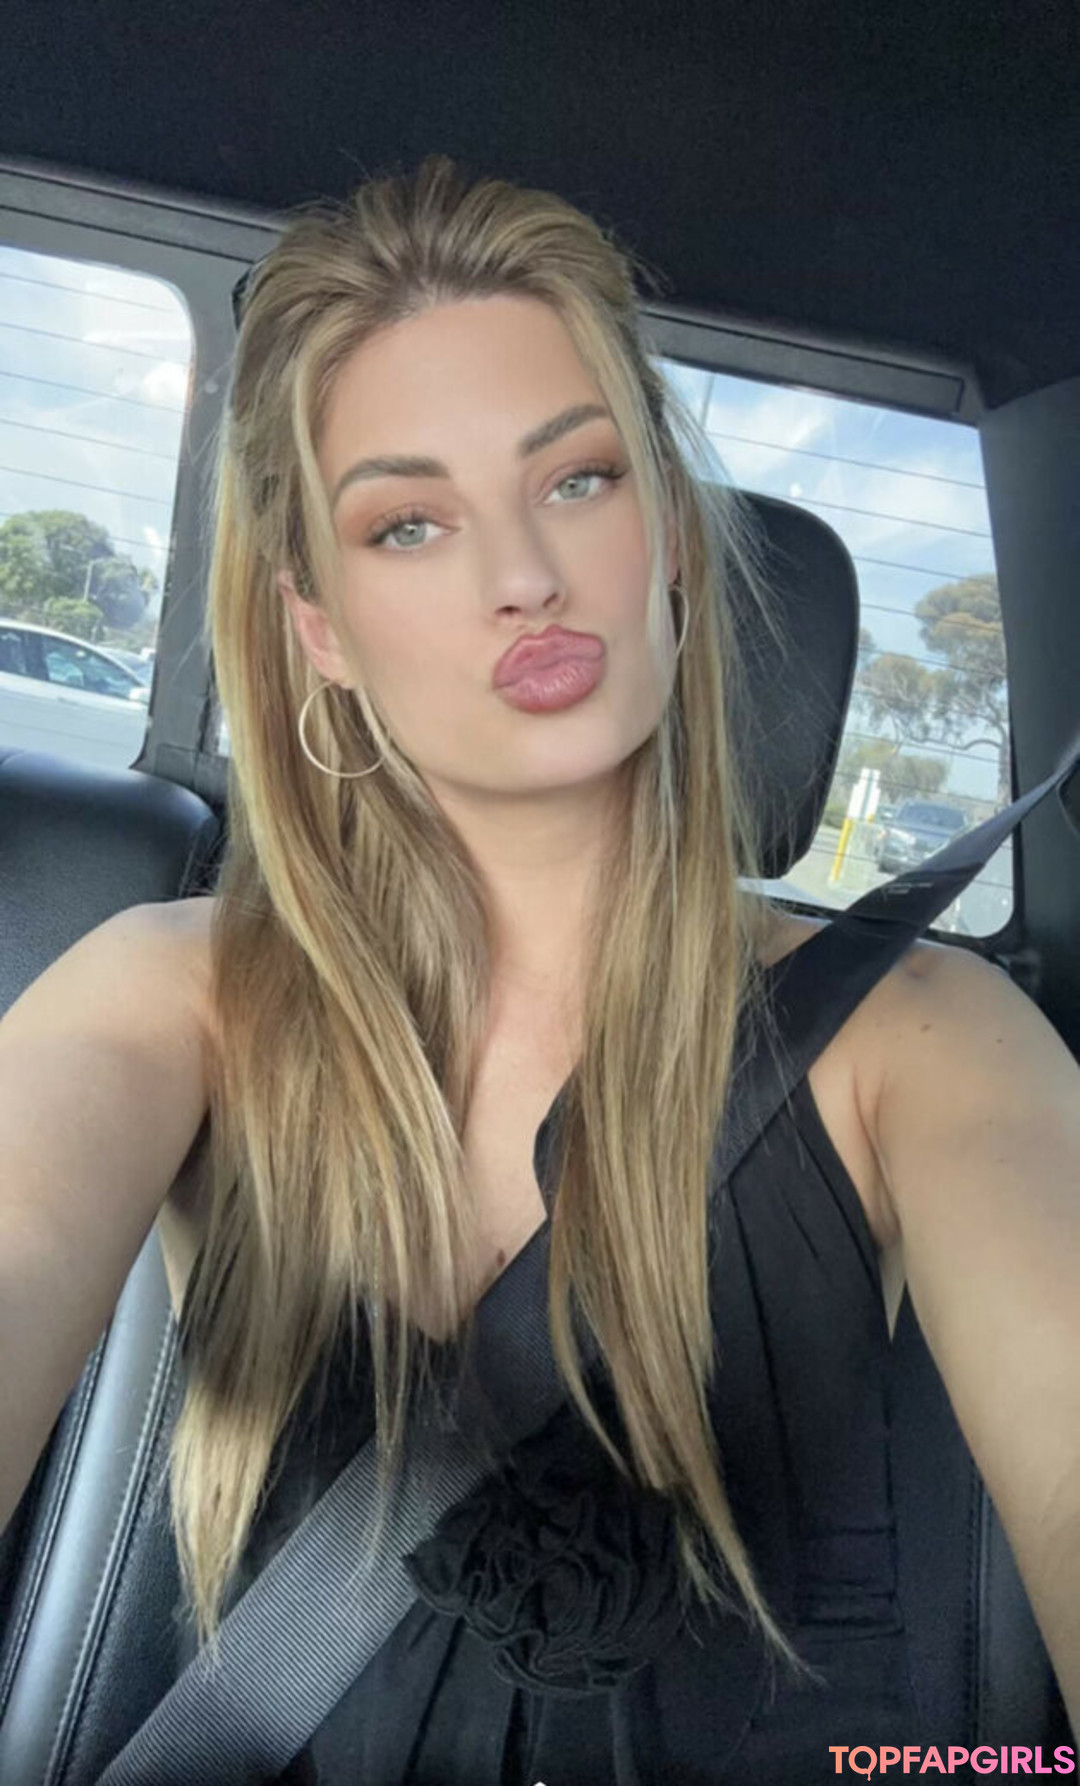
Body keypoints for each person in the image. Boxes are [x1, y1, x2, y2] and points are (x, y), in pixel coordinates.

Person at [1, 155, 1078, 1783]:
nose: (524, 572)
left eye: (577, 479)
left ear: (671, 538)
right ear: (319, 629)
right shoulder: (174, 998)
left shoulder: (933, 1041)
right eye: (409, 521)